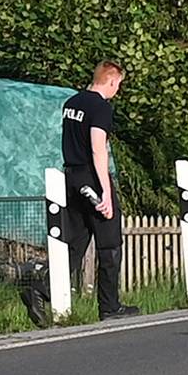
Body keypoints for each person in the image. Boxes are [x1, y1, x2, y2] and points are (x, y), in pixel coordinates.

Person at [59, 61, 139, 319]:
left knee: (75, 242)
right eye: (119, 84)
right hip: (91, 179)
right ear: (112, 81)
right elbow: (98, 148)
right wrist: (105, 191)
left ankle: (42, 290)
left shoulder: (71, 103)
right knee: (110, 242)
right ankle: (110, 306)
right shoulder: (100, 108)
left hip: (71, 177)